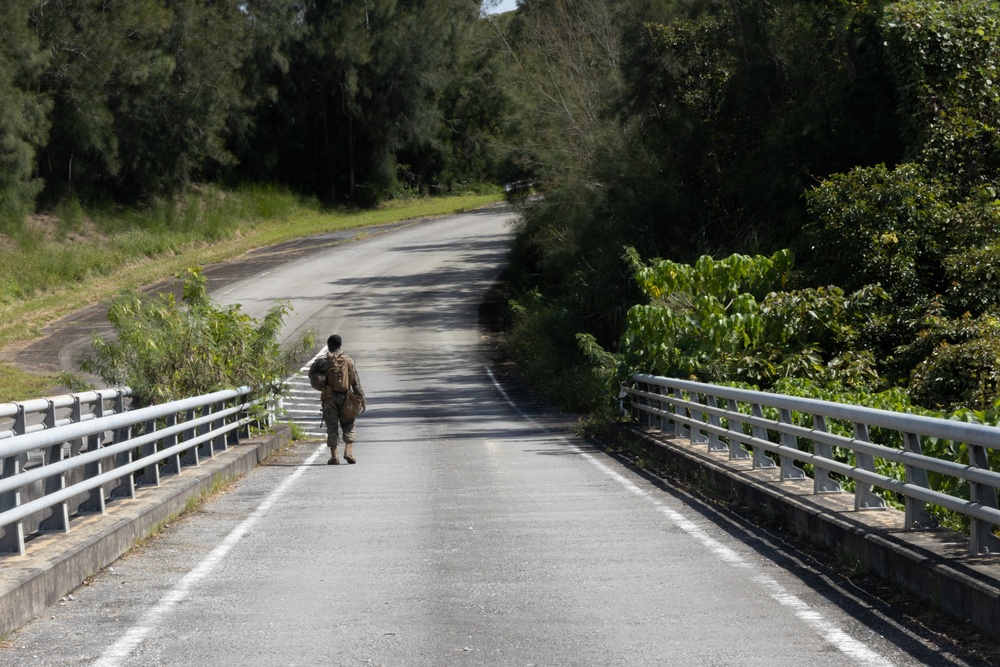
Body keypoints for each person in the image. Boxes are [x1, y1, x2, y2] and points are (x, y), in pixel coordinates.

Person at [308, 334, 366, 465]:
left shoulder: (322, 361)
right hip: (345, 398)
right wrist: (361, 399)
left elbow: (311, 374)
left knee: (332, 426)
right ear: (340, 345)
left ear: (329, 345)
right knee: (349, 424)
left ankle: (334, 456)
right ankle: (348, 451)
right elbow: (356, 383)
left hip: (329, 399)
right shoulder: (349, 361)